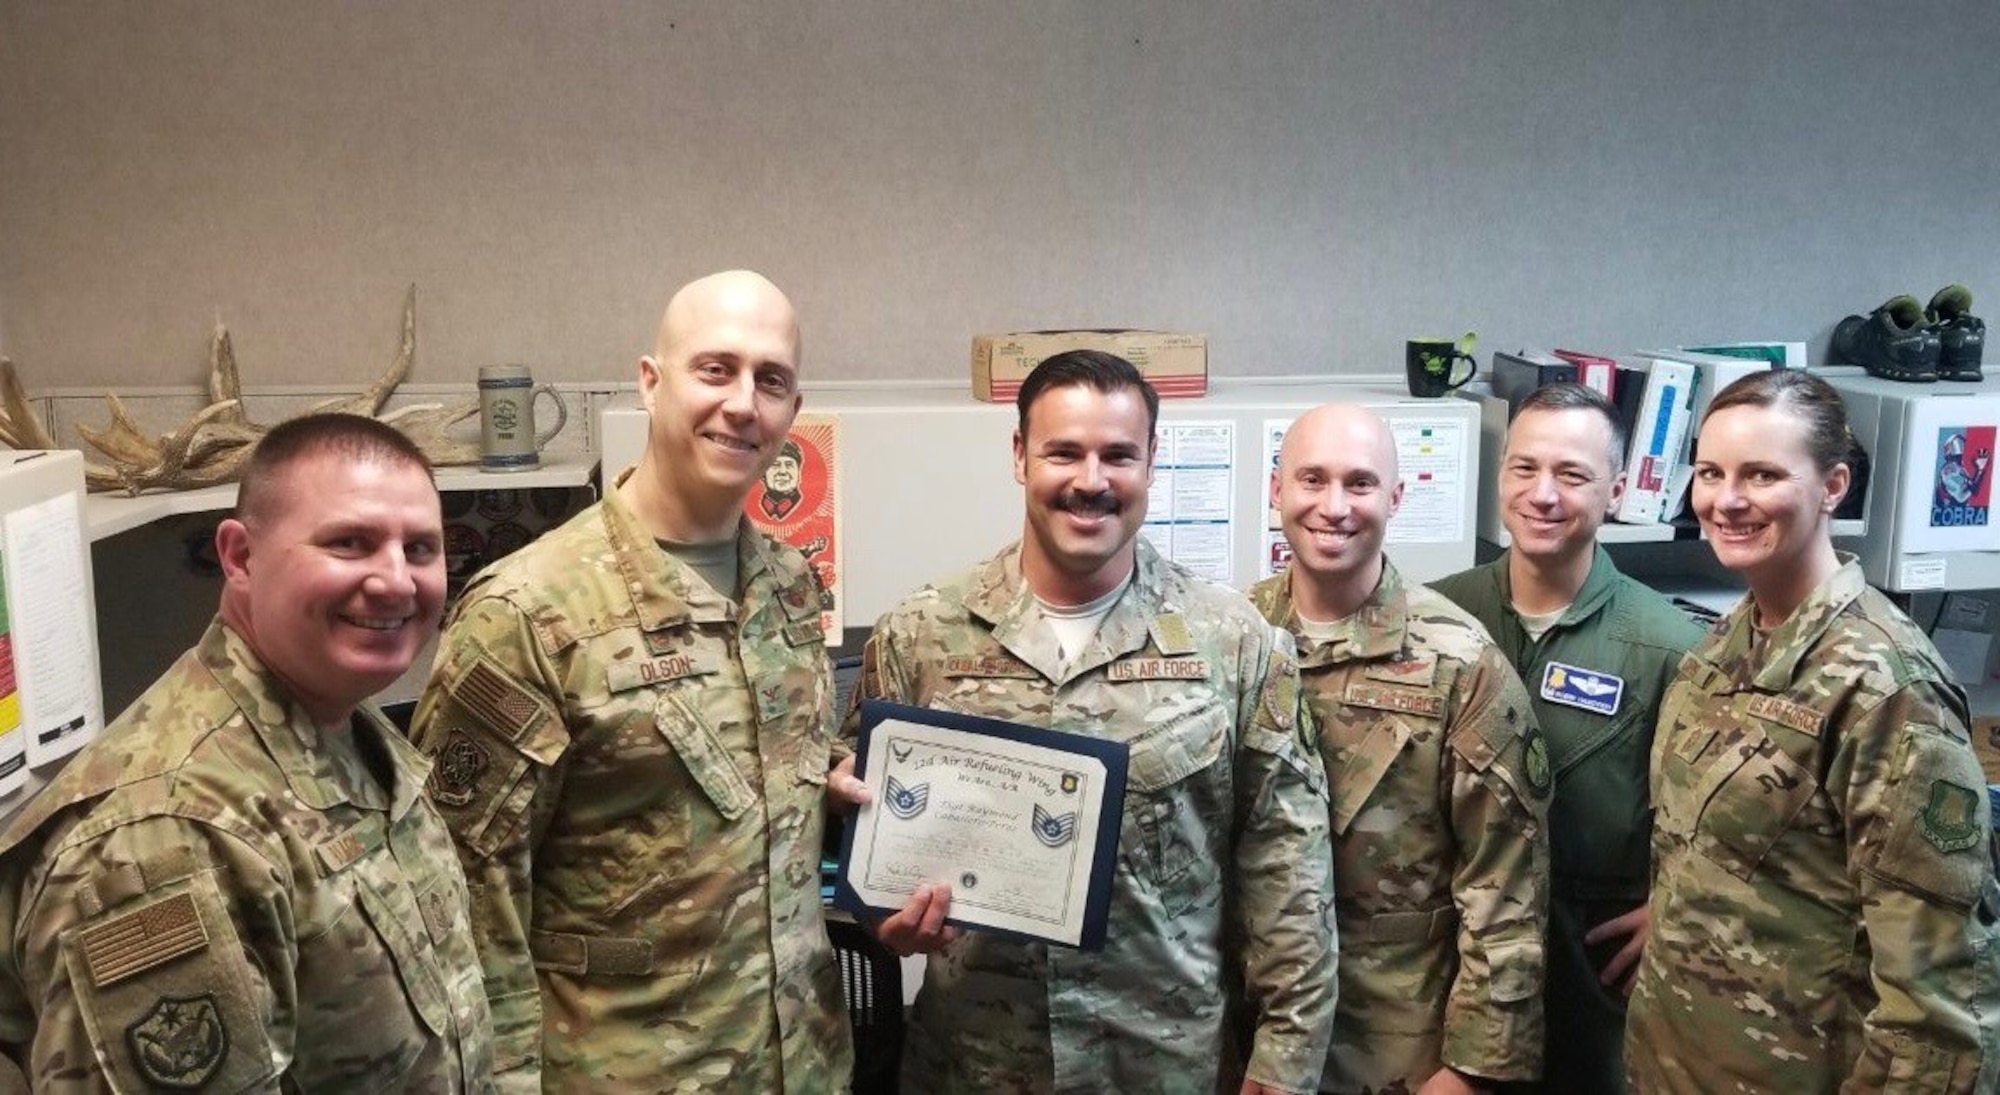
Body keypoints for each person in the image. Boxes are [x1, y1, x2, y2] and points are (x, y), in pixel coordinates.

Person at [835, 350, 1336, 1093]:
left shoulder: (1232, 642)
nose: (1092, 481)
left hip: (1161, 1067)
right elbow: (860, 827)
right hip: (974, 1066)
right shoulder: (922, 634)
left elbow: (1288, 869)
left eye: (1118, 455)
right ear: (1019, 455)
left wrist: (1286, 1063)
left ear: (1152, 460)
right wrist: (883, 913)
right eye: (1064, 451)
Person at [411, 271, 851, 1091]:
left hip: (802, 1063)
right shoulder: (525, 613)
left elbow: (742, 782)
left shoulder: (790, 586)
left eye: (772, 379)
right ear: (651, 383)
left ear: (794, 409)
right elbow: (464, 903)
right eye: (715, 370)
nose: (743, 402)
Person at [0, 414, 493, 1090]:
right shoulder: (163, 838)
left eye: (420, 549)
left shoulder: (354, 737)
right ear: (239, 557)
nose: (397, 581)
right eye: (350, 542)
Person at [1626, 369, 2000, 1091]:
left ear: (1833, 485)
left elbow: (1940, 1000)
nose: (1726, 500)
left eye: (1762, 474)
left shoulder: (1886, 687)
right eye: (1710, 472)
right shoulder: (1729, 641)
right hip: (1679, 1060)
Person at [1249, 403, 1550, 1094]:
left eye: (1359, 483)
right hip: (1250, 1036)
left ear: (1396, 496)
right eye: (1311, 479)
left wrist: (1474, 1071)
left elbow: (1507, 885)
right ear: (1276, 490)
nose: (1334, 505)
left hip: (1396, 1050)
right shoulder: (1236, 636)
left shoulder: (1459, 661)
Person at [1430, 383, 1703, 1093]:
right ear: (1500, 478)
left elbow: (1722, 819)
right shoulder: (1437, 616)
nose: (1542, 493)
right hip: (1455, 956)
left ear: (1615, 490)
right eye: (1524, 468)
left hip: (1592, 967)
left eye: (1572, 474)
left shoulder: (1668, 646)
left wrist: (1675, 909)